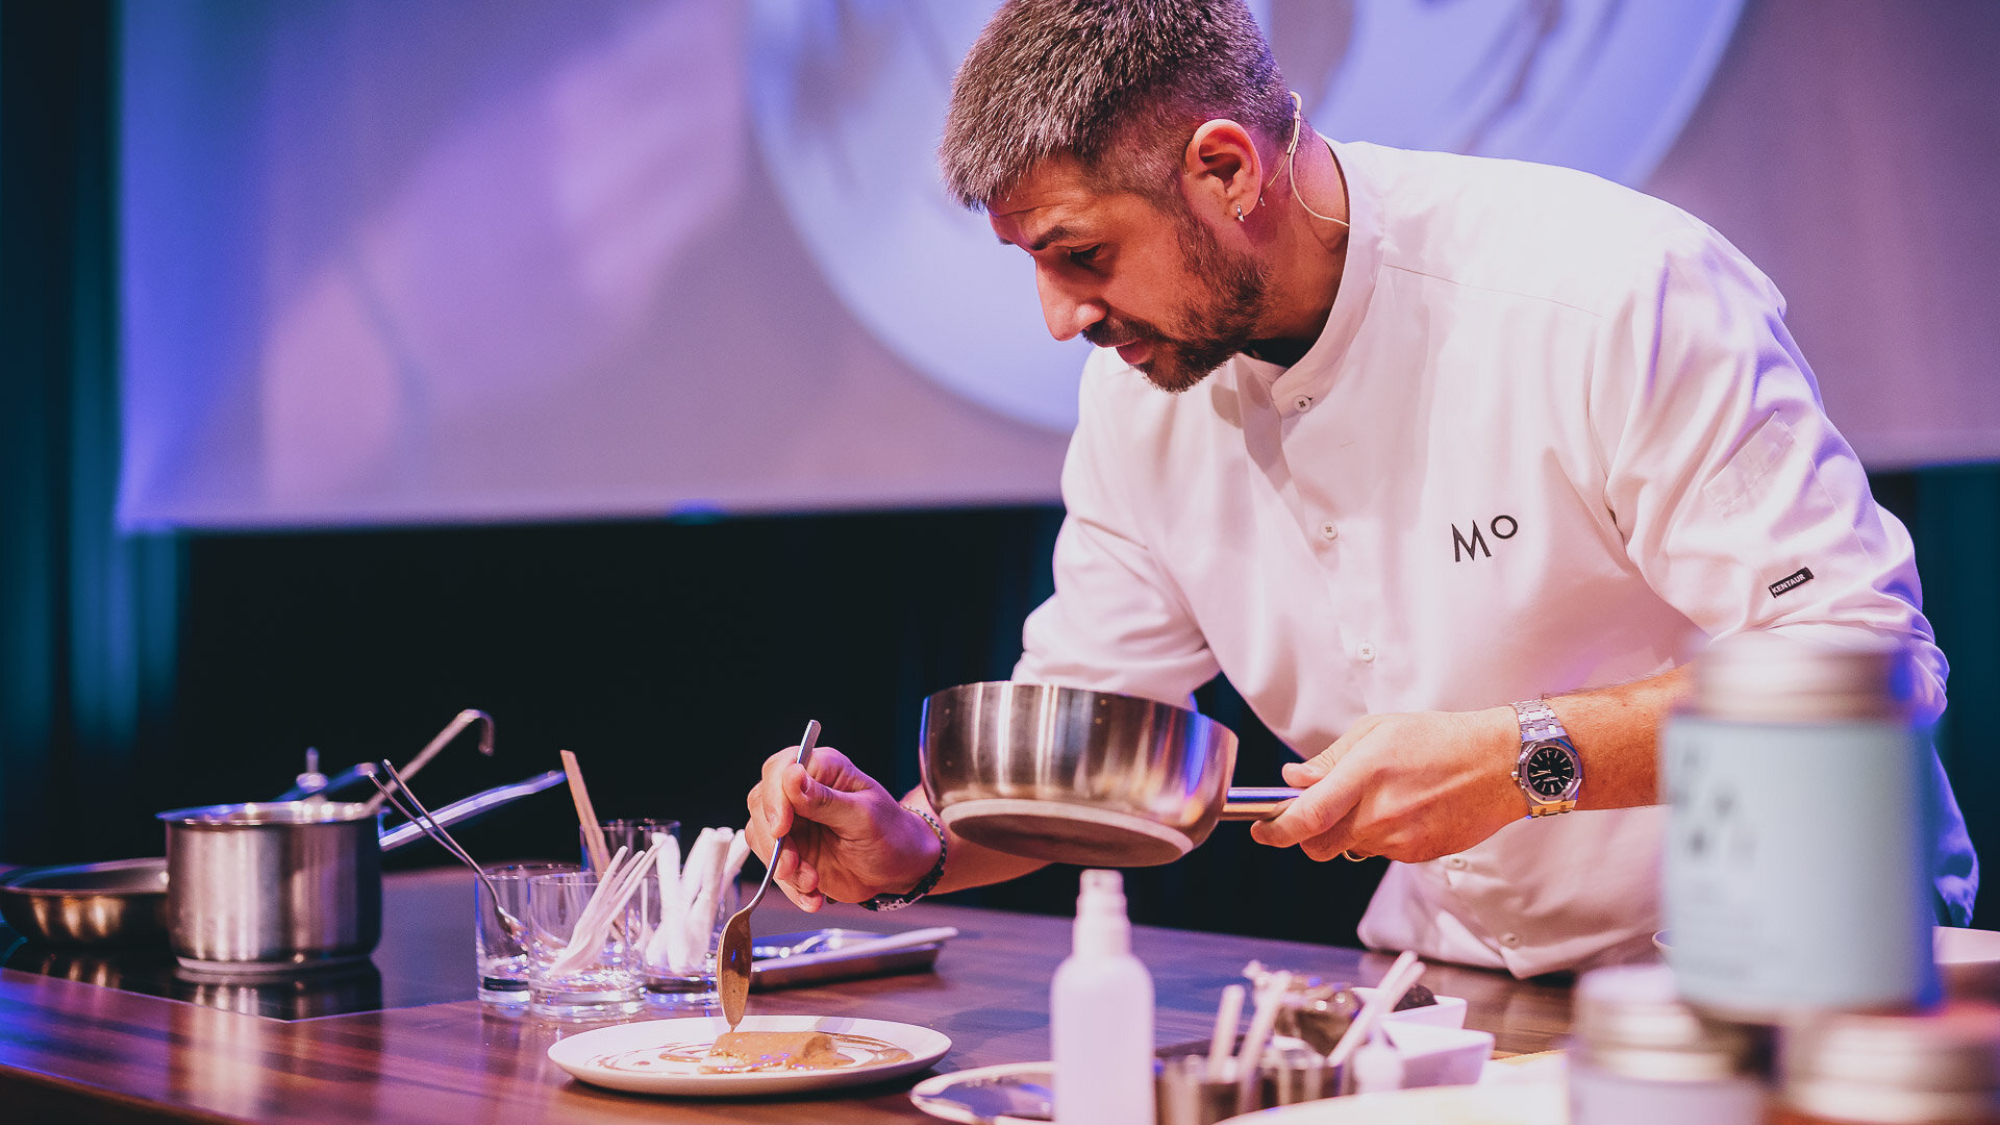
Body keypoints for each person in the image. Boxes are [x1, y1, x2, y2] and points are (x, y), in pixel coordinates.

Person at [744, 0, 1976, 976]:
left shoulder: (1608, 291)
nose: (1060, 315)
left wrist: (1516, 759)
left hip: (1797, 979)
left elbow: (1868, 671)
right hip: (1456, 991)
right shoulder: (1141, 402)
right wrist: (910, 847)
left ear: (1224, 171)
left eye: (1083, 256)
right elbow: (1078, 763)